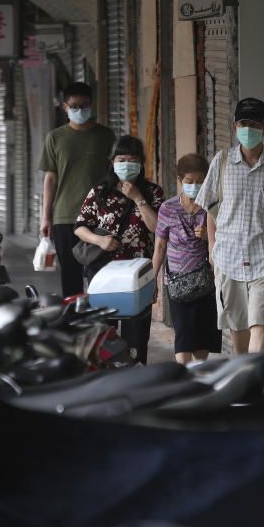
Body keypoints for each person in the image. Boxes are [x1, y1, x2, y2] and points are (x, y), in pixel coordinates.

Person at [195, 97, 264, 355]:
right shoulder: (221, 163)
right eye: (243, 123)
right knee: (237, 325)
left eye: (254, 124)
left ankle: (253, 381)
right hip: (228, 259)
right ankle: (242, 377)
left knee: (260, 322)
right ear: (235, 128)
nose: (248, 129)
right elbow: (212, 209)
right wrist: (212, 247)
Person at [74, 136, 163, 365]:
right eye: (121, 159)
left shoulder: (153, 192)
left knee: (136, 336)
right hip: (104, 274)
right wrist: (99, 240)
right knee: (105, 334)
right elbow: (79, 227)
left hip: (137, 275)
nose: (126, 164)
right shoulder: (99, 193)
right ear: (112, 162)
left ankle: (136, 377)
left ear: (142, 163)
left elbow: (157, 228)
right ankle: (106, 378)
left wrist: (137, 198)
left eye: (132, 159)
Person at [38, 82, 116, 297]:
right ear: (65, 107)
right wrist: (46, 217)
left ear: (92, 105)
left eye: (84, 105)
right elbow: (50, 178)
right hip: (65, 216)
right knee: (70, 277)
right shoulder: (55, 138)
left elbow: (114, 173)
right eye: (74, 106)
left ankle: (101, 323)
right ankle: (74, 324)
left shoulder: (105, 136)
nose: (79, 110)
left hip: (99, 216)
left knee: (100, 274)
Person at [152, 153, 222, 364]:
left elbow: (223, 244)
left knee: (202, 338)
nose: (195, 185)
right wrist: (152, 280)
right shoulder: (168, 208)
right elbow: (160, 246)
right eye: (190, 181)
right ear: (180, 179)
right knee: (183, 336)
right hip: (177, 284)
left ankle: (198, 376)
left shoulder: (212, 207)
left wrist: (209, 235)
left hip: (205, 284)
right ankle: (184, 377)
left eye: (200, 181)